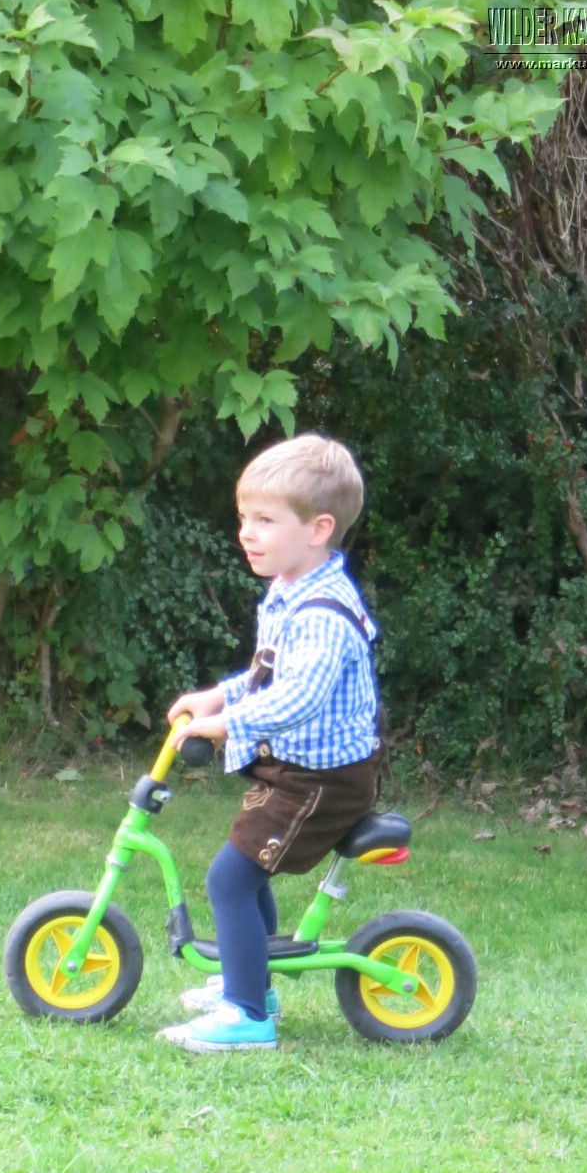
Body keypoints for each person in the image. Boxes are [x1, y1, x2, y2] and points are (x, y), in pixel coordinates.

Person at [157, 434, 381, 1053]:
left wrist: (227, 724)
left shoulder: (322, 613)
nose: (246, 533)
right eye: (243, 518)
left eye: (264, 520)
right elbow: (268, 676)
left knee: (230, 880)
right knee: (245, 874)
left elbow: (296, 699)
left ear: (318, 528)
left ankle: (248, 1016)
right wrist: (218, 697)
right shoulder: (290, 590)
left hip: (323, 781)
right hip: (296, 770)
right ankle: (252, 984)